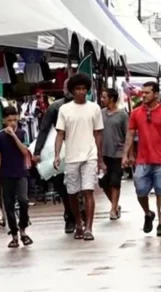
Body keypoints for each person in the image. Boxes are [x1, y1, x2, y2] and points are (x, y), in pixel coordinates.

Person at [123, 81, 161, 237]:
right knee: (140, 190)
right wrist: (126, 155)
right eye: (142, 92)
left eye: (147, 92)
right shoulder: (136, 113)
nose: (143, 95)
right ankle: (148, 213)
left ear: (156, 94)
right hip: (142, 159)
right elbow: (130, 134)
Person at [54, 73, 104, 241]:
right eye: (78, 89)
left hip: (90, 155)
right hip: (71, 157)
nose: (81, 92)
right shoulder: (64, 110)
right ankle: (78, 223)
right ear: (72, 91)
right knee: (73, 193)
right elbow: (60, 134)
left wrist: (100, 159)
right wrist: (56, 155)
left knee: (88, 190)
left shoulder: (94, 108)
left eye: (84, 89)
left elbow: (98, 134)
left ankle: (89, 227)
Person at [35, 91, 78, 234]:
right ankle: (69, 216)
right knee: (62, 186)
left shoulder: (85, 106)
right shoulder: (55, 107)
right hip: (59, 149)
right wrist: (37, 150)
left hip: (80, 148)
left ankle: (79, 215)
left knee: (80, 186)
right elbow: (44, 129)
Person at [0, 106, 35, 247]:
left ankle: (23, 229)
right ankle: (14, 234)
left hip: (21, 172)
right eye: (9, 120)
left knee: (23, 200)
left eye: (14, 120)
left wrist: (14, 136)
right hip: (6, 174)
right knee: (8, 205)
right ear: (4, 121)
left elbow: (24, 151)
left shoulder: (22, 133)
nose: (12, 123)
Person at [100, 88, 128, 221]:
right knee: (104, 182)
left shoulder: (122, 115)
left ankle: (113, 209)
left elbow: (128, 135)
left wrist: (128, 154)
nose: (102, 99)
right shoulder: (100, 114)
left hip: (118, 153)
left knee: (115, 181)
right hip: (104, 153)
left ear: (111, 98)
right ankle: (115, 205)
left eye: (104, 97)